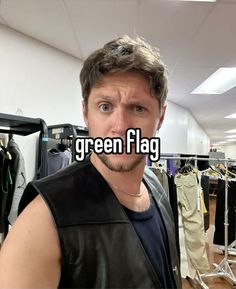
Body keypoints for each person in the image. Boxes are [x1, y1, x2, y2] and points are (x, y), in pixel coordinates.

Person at [0, 35, 182, 289]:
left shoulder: (157, 188)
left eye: (138, 108)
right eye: (105, 107)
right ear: (86, 113)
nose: (119, 127)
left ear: (160, 117)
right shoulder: (42, 220)